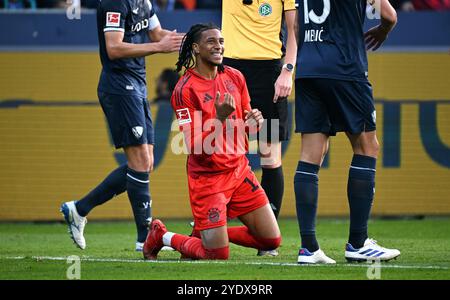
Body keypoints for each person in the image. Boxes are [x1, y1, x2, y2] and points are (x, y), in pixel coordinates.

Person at [143, 23, 282, 261]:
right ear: (195, 48)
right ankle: (161, 236)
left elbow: (247, 126)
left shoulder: (235, 77)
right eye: (211, 42)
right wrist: (219, 117)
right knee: (217, 255)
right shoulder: (184, 90)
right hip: (208, 178)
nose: (218, 46)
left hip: (239, 171)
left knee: (271, 240)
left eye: (221, 42)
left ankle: (209, 234)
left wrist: (255, 121)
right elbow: (196, 148)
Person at [60, 0, 183, 251]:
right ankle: (145, 238)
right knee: (139, 162)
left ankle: (79, 208)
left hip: (137, 83)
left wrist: (190, 40)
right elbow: (113, 47)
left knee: (144, 163)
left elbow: (158, 33)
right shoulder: (115, 2)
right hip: (119, 86)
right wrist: (159, 47)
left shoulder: (144, 2)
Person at [294, 0, 401, 264]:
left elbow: (297, 24)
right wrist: (383, 31)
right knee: (367, 147)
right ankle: (358, 242)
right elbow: (389, 15)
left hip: (307, 68)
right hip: (344, 66)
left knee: (310, 154)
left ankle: (309, 248)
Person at [221, 0, 297, 257]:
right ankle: (211, 220)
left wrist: (287, 70)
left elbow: (294, 30)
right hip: (229, 69)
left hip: (269, 71)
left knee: (270, 156)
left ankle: (267, 239)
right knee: (220, 151)